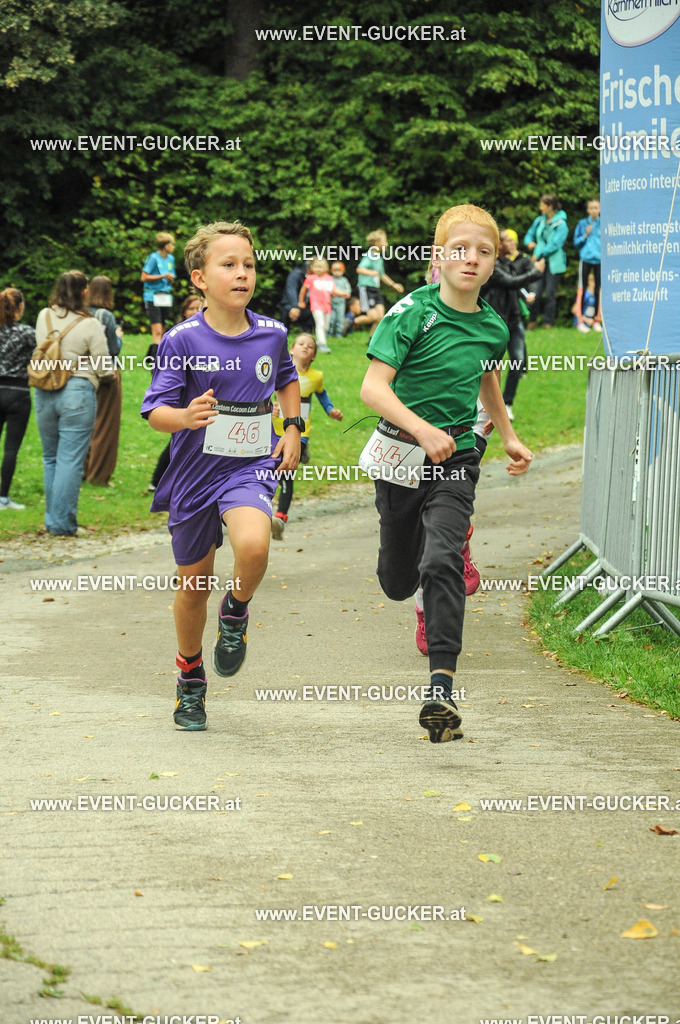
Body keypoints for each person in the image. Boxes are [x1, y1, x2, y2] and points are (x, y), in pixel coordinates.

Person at [360, 204, 532, 744]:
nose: (472, 259)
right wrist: (421, 429)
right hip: (399, 453)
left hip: (456, 455)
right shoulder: (411, 312)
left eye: (484, 252)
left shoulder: (492, 328)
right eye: (460, 249)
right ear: (438, 256)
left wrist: (505, 434)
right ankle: (438, 555)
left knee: (440, 561)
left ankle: (442, 689)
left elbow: (487, 383)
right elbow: (373, 389)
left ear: (493, 263)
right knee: (397, 579)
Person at [140, 221, 302, 732]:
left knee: (254, 547)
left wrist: (293, 428)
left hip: (248, 467)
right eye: (228, 265)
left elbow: (287, 380)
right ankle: (190, 680)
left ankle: (236, 611)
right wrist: (185, 417)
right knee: (193, 587)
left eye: (248, 265)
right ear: (199, 279)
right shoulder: (181, 340)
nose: (241, 274)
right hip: (192, 476)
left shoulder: (273, 334)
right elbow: (154, 410)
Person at [34, 271, 110, 536]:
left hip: (43, 390)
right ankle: (63, 524)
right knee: (70, 460)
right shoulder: (88, 324)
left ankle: (52, 521)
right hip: (77, 390)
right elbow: (103, 364)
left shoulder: (43, 315)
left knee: (50, 458)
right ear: (84, 293)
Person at [270, 332, 343, 539]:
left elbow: (322, 395)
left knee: (287, 471)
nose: (305, 347)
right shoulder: (278, 371)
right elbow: (263, 393)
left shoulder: (315, 376)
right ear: (291, 349)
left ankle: (280, 517)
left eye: (310, 346)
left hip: (300, 433)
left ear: (314, 356)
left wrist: (331, 411)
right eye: (301, 344)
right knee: (270, 469)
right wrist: (268, 408)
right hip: (275, 429)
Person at [481, 229, 544, 420]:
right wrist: (536, 272)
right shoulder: (492, 267)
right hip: (495, 323)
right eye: (507, 241)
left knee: (517, 361)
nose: (512, 244)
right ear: (499, 245)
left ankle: (507, 403)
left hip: (514, 320)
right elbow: (511, 282)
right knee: (489, 367)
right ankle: (486, 405)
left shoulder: (510, 263)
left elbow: (519, 283)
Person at [148, 293, 203, 493]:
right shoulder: (175, 336)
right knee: (178, 439)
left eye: (199, 307)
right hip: (180, 399)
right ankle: (159, 481)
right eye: (191, 308)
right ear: (183, 311)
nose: (196, 311)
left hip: (201, 398)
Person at [83, 276, 124, 485]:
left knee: (84, 424)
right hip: (105, 374)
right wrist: (119, 335)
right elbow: (113, 348)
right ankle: (98, 475)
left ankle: (81, 470)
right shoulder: (105, 315)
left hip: (81, 373)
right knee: (105, 425)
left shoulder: (79, 312)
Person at [0, 288, 35, 509]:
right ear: (20, 307)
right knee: (11, 447)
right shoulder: (27, 333)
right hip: (18, 392)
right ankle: (3, 496)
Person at [524, 194, 568, 329]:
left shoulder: (561, 224)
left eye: (542, 205)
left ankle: (548, 323)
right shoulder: (539, 220)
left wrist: (539, 253)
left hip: (554, 263)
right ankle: (532, 321)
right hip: (539, 261)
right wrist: (529, 242)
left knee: (550, 293)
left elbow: (555, 244)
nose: (540, 207)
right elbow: (529, 234)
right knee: (535, 291)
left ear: (550, 206)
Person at [353, 230, 404, 338]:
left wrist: (393, 284)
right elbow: (359, 269)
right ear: (377, 243)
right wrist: (371, 272)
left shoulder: (378, 258)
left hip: (375, 289)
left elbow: (382, 275)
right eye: (384, 242)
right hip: (366, 288)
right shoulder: (370, 256)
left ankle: (371, 339)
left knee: (381, 316)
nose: (386, 244)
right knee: (372, 317)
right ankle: (351, 322)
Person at [141, 232, 176, 346]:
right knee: (157, 329)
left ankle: (160, 355)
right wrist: (163, 276)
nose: (173, 247)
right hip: (153, 295)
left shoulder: (171, 258)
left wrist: (170, 278)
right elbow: (144, 277)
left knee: (163, 328)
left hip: (165, 295)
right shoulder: (153, 258)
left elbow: (172, 276)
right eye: (172, 244)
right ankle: (156, 358)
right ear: (166, 246)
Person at [573, 198, 601, 333]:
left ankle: (596, 320)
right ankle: (580, 321)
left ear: (600, 209)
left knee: (598, 290)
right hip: (585, 259)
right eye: (592, 208)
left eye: (596, 208)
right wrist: (585, 235)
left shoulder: (604, 224)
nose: (594, 210)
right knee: (582, 289)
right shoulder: (582, 224)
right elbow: (576, 242)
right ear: (588, 210)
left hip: (600, 260)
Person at [298, 258, 334, 353]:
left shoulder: (329, 278)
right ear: (312, 267)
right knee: (320, 324)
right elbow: (303, 290)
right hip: (316, 305)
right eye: (316, 267)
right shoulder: (311, 278)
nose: (318, 269)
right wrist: (301, 301)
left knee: (326, 326)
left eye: (321, 267)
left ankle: (319, 341)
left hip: (327, 306)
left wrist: (343, 294)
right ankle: (322, 344)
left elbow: (333, 291)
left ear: (326, 268)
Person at [276, 262, 315, 332]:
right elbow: (291, 289)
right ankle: (284, 332)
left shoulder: (318, 277)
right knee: (287, 309)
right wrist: (295, 306)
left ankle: (307, 331)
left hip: (310, 305)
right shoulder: (296, 274)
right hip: (292, 304)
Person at [328, 261, 351, 338]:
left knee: (339, 318)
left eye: (339, 271)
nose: (337, 273)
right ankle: (330, 332)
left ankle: (338, 332)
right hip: (331, 303)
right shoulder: (330, 279)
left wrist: (344, 293)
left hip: (341, 303)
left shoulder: (344, 280)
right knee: (331, 318)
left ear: (343, 271)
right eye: (335, 271)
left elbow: (348, 291)